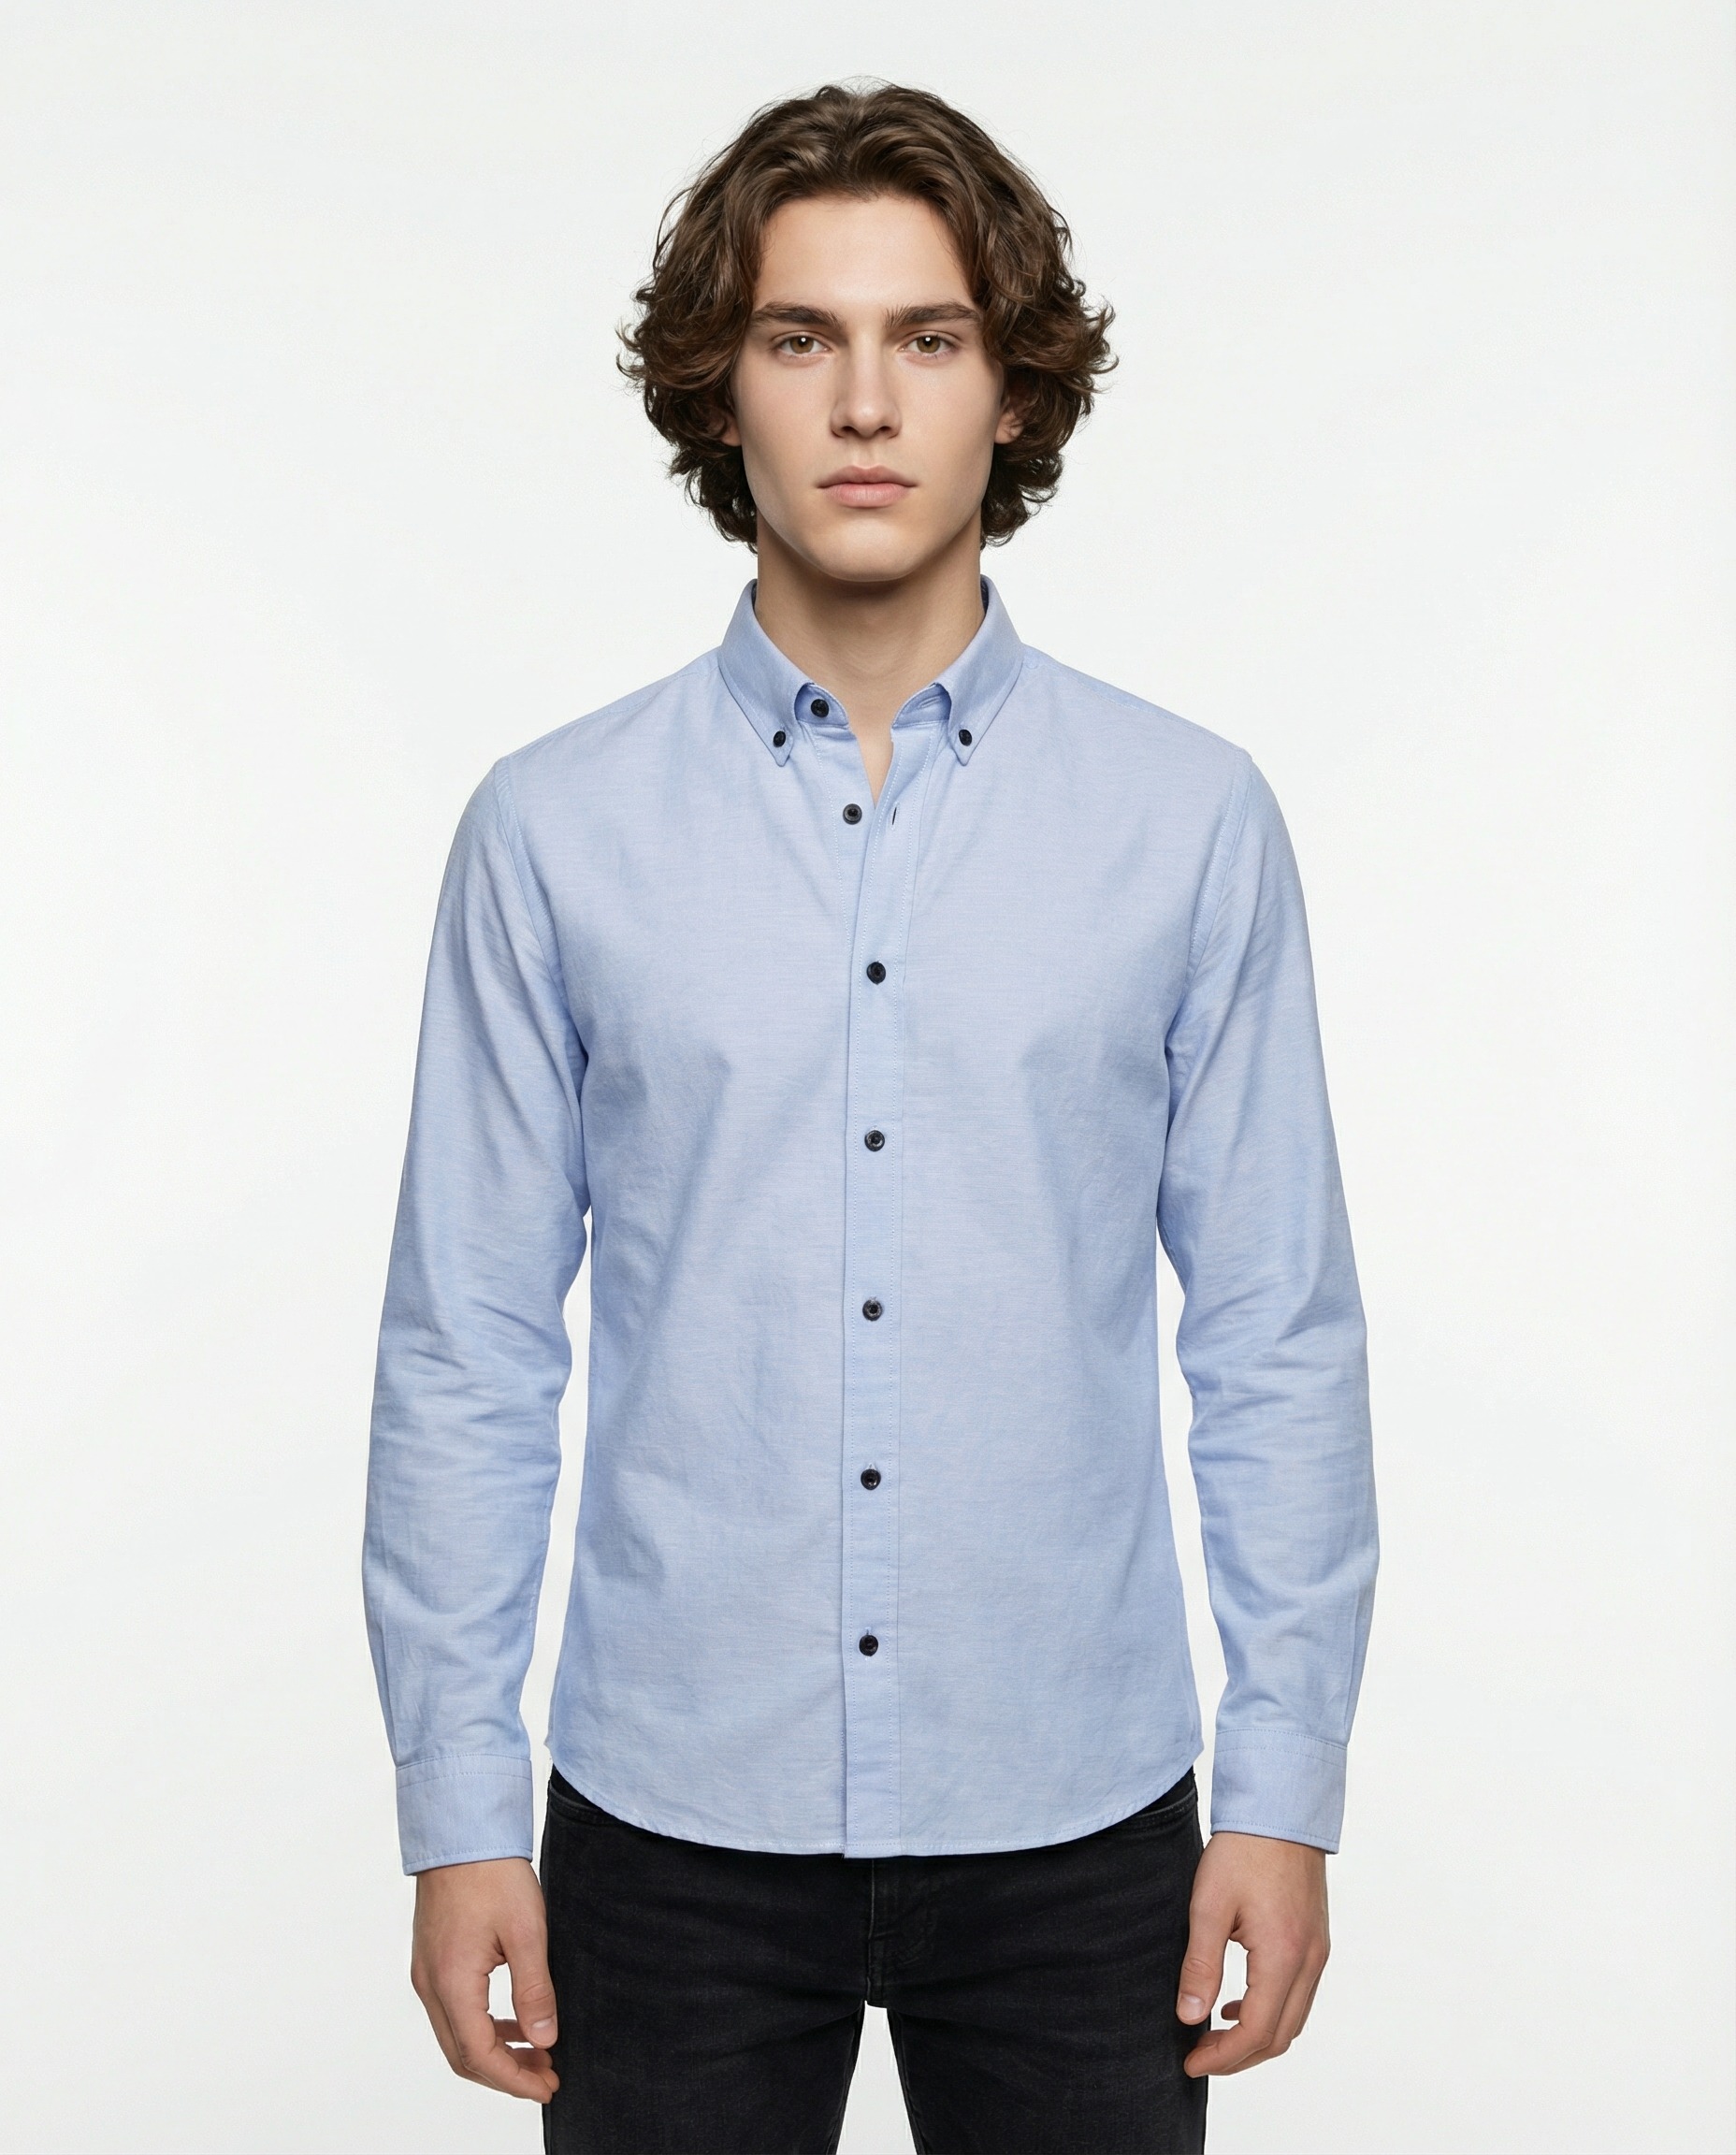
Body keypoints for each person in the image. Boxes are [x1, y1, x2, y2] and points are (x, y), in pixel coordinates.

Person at [363, 80, 1378, 2155]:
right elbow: (468, 1347)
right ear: (716, 387)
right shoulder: (553, 832)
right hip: (666, 1824)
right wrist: (458, 1813)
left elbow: (1275, 1334)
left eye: (927, 336)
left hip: (1082, 1819)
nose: (862, 403)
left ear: (1011, 389)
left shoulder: (1188, 822)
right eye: (798, 336)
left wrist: (1283, 1790)